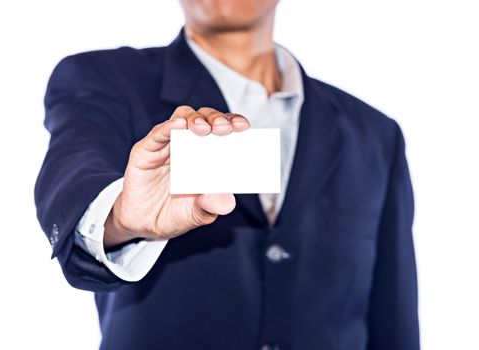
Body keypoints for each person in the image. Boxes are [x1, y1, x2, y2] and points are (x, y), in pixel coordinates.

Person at [34, 0, 419, 349]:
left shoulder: (375, 135)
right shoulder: (104, 80)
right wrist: (121, 217)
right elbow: (75, 169)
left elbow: (392, 318)